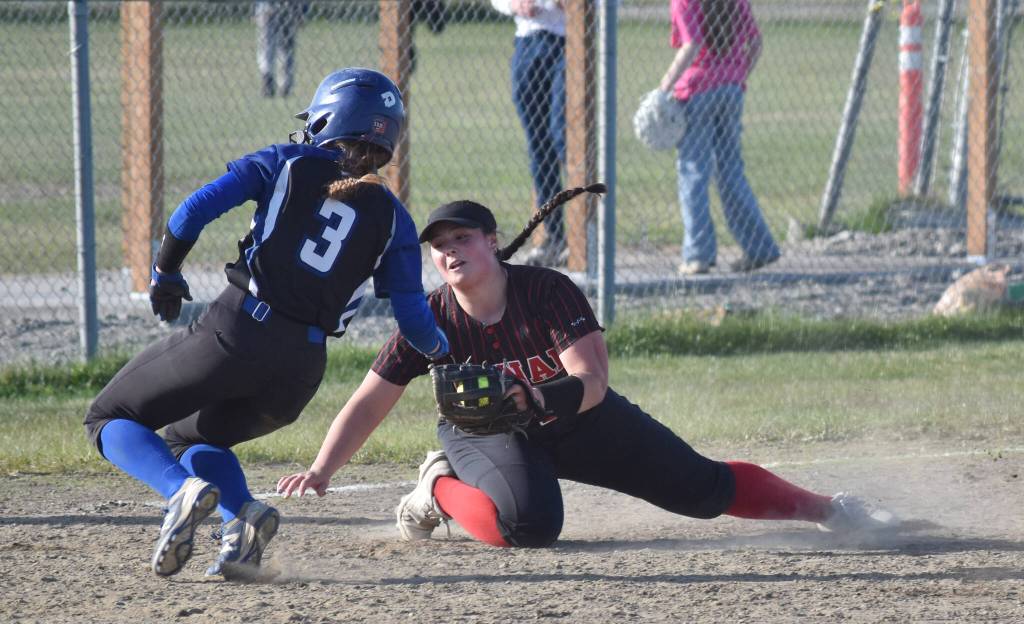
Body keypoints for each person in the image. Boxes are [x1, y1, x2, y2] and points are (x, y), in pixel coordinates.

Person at [277, 198, 898, 548]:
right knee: (529, 527)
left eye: (462, 238)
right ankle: (438, 488)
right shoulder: (430, 316)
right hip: (482, 435)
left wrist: (532, 393)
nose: (449, 252)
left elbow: (592, 381)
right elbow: (371, 397)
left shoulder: (547, 292)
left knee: (701, 492)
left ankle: (831, 509)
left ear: (493, 243)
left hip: (574, 415)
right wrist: (322, 471)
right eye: (439, 245)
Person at [83, 68, 449, 579]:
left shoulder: (287, 161)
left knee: (107, 417)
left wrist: (164, 272)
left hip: (237, 332)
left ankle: (180, 494)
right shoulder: (395, 218)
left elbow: (192, 212)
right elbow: (412, 317)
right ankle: (244, 520)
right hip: (300, 374)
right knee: (187, 440)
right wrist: (443, 350)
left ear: (329, 118)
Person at [658, 0, 780, 275]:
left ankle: (698, 255)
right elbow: (756, 43)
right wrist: (736, 75)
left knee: (694, 173)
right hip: (731, 90)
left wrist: (662, 90)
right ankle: (759, 247)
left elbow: (692, 46)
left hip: (697, 93)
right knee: (731, 172)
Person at [491, 0, 567, 266]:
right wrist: (514, 4)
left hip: (570, 43)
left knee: (564, 136)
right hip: (527, 42)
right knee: (539, 144)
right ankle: (554, 237)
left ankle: (587, 235)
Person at [255, 0, 304, 98]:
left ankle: (285, 85)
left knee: (285, 48)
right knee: (268, 47)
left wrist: (300, 10)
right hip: (269, 7)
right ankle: (268, 81)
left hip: (288, 8)